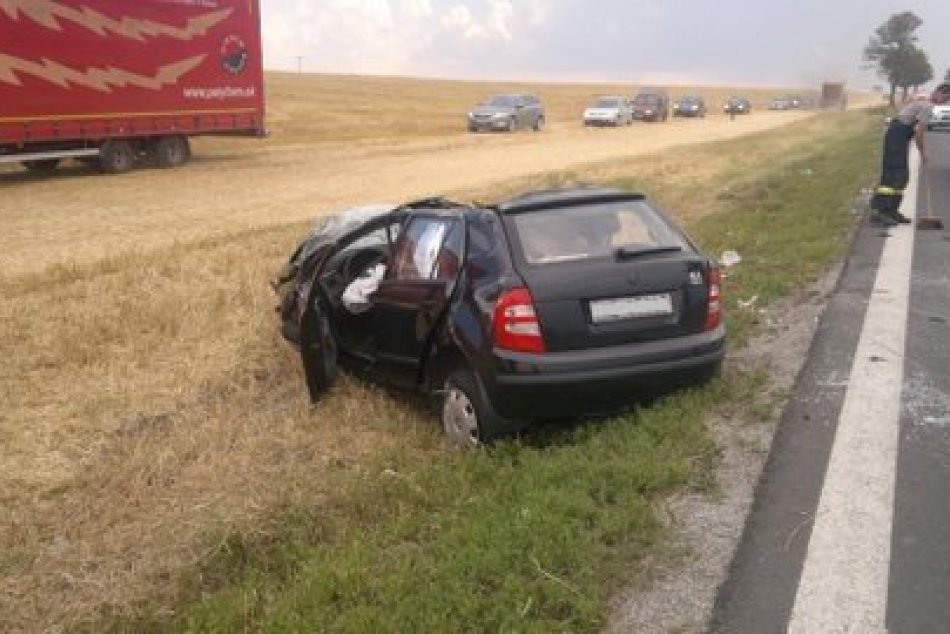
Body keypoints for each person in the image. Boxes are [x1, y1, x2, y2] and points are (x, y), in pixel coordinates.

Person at [871, 83, 950, 225]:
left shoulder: (924, 101)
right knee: (894, 174)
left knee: (902, 175)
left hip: (898, 135)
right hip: (897, 135)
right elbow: (919, 134)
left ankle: (892, 211)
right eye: (946, 97)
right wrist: (923, 152)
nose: (945, 101)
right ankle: (880, 212)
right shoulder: (928, 107)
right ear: (939, 92)